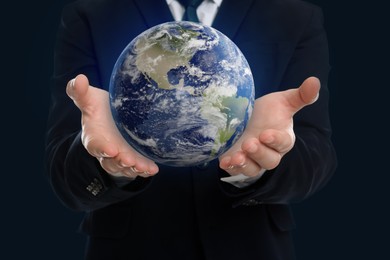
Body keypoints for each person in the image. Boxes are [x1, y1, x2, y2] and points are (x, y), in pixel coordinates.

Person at [45, 0, 337, 259]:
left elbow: (317, 155)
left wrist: (262, 162)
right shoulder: (90, 13)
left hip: (250, 246)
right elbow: (64, 177)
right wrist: (106, 165)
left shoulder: (296, 17)